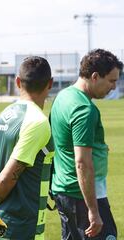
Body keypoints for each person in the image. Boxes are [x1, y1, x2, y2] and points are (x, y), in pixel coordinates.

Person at [0, 56, 54, 239]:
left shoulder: (5, 114)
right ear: (50, 83)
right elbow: (6, 179)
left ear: (18, 82)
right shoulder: (38, 122)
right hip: (20, 227)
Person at [50, 49, 123, 239]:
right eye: (112, 80)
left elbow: (60, 141)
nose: (114, 87)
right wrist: (93, 211)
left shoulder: (63, 96)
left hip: (64, 191)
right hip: (81, 196)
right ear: (95, 76)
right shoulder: (84, 109)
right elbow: (82, 162)